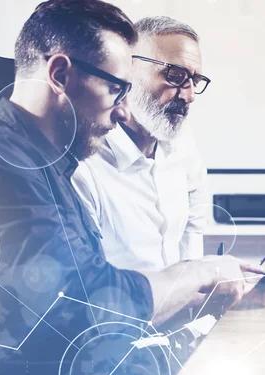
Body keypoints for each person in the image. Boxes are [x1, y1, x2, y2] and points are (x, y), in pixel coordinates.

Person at [0, 2, 265, 375]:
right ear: (60, 74)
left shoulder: (49, 166)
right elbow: (88, 306)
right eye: (117, 88)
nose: (122, 110)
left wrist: (212, 298)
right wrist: (202, 273)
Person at [72, 16, 210, 273]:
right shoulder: (83, 165)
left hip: (184, 311)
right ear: (126, 71)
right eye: (175, 75)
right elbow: (87, 289)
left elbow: (194, 226)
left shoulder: (183, 144)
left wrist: (211, 296)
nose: (189, 96)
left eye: (195, 81)